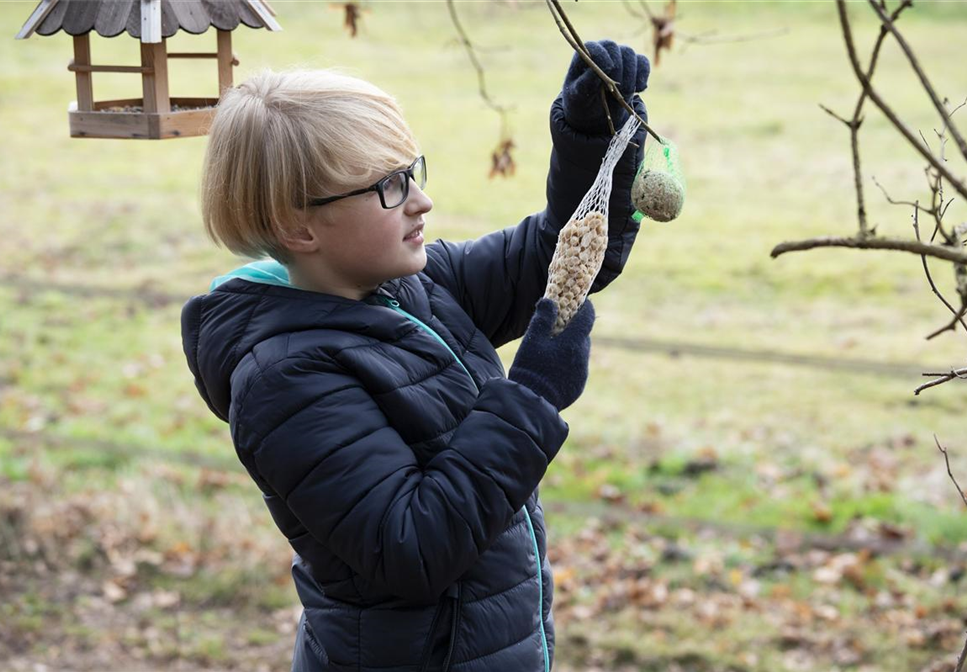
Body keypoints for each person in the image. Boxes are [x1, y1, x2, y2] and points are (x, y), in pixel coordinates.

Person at [181, 40, 650, 672]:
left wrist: (589, 140)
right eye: (388, 187)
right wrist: (532, 395)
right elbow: (414, 547)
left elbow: (559, 257)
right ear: (299, 228)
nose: (420, 201)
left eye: (412, 172)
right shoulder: (284, 379)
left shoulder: (415, 286)